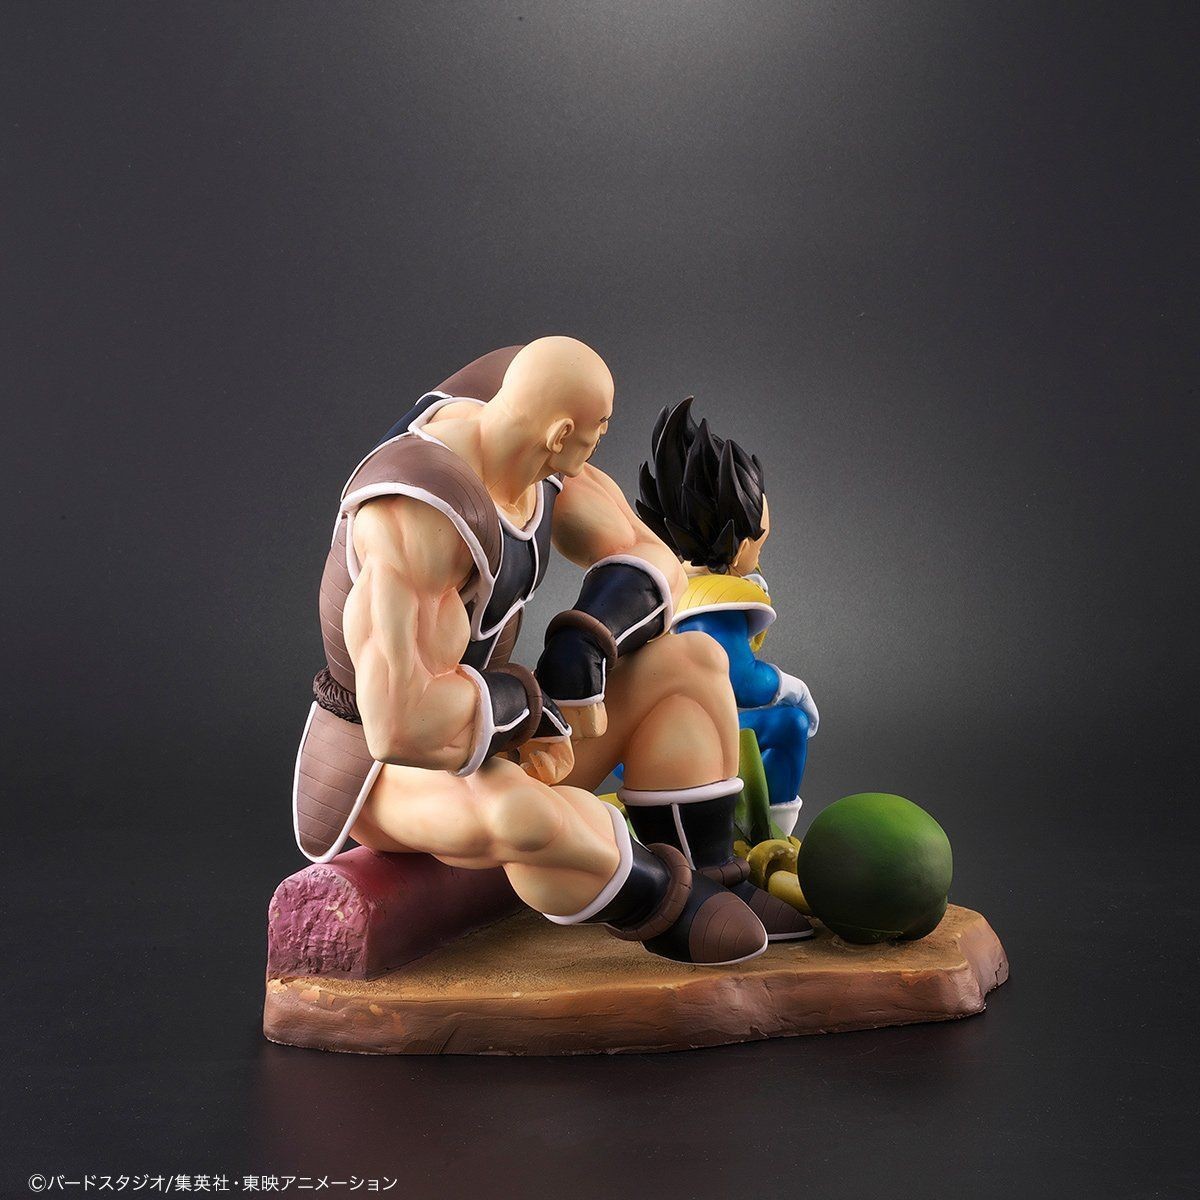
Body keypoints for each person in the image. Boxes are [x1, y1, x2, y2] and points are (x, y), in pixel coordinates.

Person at [292, 338, 808, 967]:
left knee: (691, 663)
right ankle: (660, 900)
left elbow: (654, 559)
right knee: (519, 812)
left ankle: (711, 872)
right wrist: (529, 704)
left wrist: (584, 642)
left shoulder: (529, 435)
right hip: (386, 773)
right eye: (596, 433)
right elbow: (400, 724)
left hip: (502, 732)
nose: (596, 450)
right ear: (563, 432)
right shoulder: (415, 516)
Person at [637, 397, 821, 839]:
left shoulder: (667, 581)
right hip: (683, 734)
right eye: (759, 542)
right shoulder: (714, 601)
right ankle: (769, 834)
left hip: (655, 727)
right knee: (789, 724)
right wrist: (791, 687)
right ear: (739, 548)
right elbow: (740, 681)